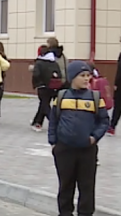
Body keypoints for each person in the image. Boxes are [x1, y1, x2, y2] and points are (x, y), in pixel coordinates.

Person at [49, 60, 110, 216]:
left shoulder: (95, 98)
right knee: (66, 185)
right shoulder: (62, 97)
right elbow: (53, 120)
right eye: (82, 75)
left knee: (87, 185)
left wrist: (94, 138)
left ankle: (85, 213)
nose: (86, 79)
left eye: (88, 75)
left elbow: (104, 121)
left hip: (87, 150)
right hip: (65, 149)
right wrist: (54, 143)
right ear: (71, 78)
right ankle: (65, 212)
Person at [31, 46, 63, 132]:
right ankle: (37, 122)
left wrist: (36, 83)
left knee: (45, 105)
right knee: (43, 104)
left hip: (42, 86)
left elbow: (36, 74)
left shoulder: (39, 63)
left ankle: (53, 121)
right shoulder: (54, 63)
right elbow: (59, 74)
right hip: (53, 87)